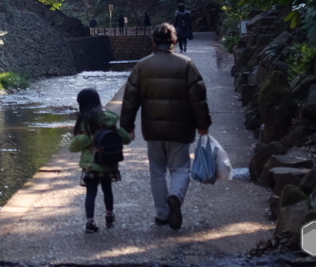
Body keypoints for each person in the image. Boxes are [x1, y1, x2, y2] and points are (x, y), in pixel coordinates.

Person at [120, 23, 211, 231]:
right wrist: (203, 124)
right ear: (174, 41)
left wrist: (127, 125)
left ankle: (162, 214)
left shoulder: (142, 66)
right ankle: (176, 197)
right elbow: (198, 98)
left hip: (153, 129)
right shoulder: (186, 64)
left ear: (153, 42)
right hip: (181, 128)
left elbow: (130, 98)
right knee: (180, 167)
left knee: (157, 171)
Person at [69, 88, 133, 234]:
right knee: (107, 189)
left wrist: (84, 141)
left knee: (91, 192)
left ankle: (90, 222)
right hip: (108, 163)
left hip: (91, 164)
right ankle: (109, 216)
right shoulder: (109, 119)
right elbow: (126, 138)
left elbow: (75, 145)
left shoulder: (85, 122)